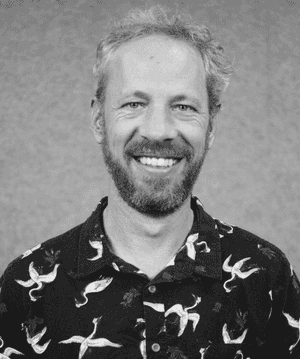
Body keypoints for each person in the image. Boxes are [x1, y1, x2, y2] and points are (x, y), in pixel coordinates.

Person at [0, 5, 299, 359]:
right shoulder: (27, 287)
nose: (158, 130)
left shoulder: (267, 277)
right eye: (134, 103)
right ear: (99, 120)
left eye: (184, 107)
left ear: (212, 127)